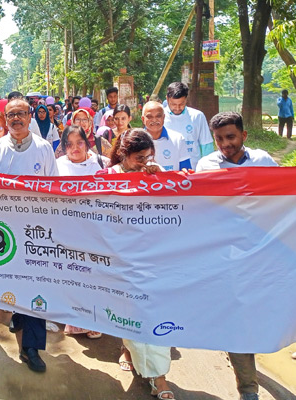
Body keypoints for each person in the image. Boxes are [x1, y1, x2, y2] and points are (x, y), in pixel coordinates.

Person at [196, 111, 296, 400]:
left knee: (263, 312)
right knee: (237, 319)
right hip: (227, 257)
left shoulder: (263, 161)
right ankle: (248, 389)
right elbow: (194, 205)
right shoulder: (206, 166)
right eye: (219, 139)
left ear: (244, 135)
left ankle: (257, 359)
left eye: (230, 137)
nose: (225, 144)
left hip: (264, 254)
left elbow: (293, 190)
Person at [0, 98, 58, 373]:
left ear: (30, 117)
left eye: (21, 114)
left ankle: (32, 348)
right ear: (5, 119)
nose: (16, 119)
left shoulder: (44, 149)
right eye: (11, 114)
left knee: (37, 281)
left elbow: (55, 189)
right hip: (7, 229)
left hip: (37, 228)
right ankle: (18, 313)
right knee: (14, 279)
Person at [101, 128, 174, 399]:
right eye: (139, 158)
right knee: (128, 313)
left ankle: (160, 378)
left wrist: (160, 180)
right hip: (120, 259)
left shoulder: (155, 173)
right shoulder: (108, 177)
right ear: (124, 154)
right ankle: (128, 349)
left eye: (148, 156)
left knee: (152, 314)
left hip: (152, 258)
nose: (144, 161)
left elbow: (175, 207)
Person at [163, 82, 214, 169]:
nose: (178, 108)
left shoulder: (197, 116)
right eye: (174, 104)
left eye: (181, 104)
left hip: (193, 170)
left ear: (186, 99)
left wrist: (207, 170)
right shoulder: (160, 118)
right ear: (167, 99)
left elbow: (206, 146)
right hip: (168, 172)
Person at [142, 101, 191, 171]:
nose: (154, 120)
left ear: (164, 117)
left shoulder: (178, 139)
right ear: (143, 119)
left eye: (158, 116)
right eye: (149, 117)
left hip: (172, 182)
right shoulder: (135, 141)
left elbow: (186, 172)